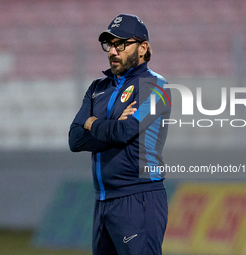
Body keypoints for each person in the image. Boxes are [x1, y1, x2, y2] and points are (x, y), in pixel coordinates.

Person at [69, 13, 171, 255]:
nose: (112, 51)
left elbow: (126, 131)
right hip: (103, 201)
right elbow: (74, 138)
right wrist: (108, 126)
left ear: (143, 48)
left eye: (121, 44)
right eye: (109, 44)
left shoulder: (156, 86)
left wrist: (92, 122)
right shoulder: (97, 87)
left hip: (139, 198)